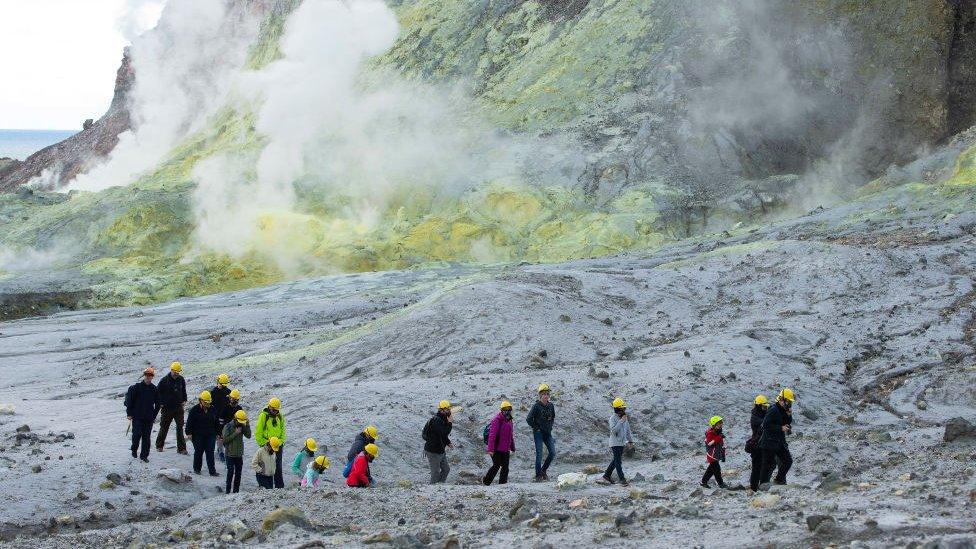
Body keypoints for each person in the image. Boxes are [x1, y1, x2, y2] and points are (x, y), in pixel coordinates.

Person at [758, 388, 795, 487]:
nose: (790, 404)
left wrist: (789, 416)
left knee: (788, 461)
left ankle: (778, 480)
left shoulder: (783, 410)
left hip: (779, 442)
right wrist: (780, 428)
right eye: (789, 401)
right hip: (769, 443)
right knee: (767, 466)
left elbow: (786, 422)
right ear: (782, 399)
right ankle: (763, 486)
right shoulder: (773, 409)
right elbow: (765, 425)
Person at [125, 367, 160, 462]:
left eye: (150, 375)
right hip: (137, 416)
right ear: (144, 375)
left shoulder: (154, 389)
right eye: (147, 375)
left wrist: (154, 415)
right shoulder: (136, 388)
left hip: (149, 418)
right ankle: (134, 449)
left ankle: (144, 456)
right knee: (136, 435)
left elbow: (158, 404)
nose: (149, 377)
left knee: (146, 438)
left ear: (152, 377)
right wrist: (129, 413)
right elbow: (129, 401)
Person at [600, 397, 634, 486]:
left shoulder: (624, 419)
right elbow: (613, 431)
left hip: (622, 443)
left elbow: (628, 431)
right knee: (618, 461)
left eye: (624, 408)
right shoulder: (613, 418)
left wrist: (630, 441)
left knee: (615, 460)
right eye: (623, 408)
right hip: (615, 443)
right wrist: (621, 421)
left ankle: (606, 476)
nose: (624, 410)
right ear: (618, 409)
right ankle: (622, 479)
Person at [155, 362, 187, 454]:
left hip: (178, 408)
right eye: (175, 371)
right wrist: (160, 403)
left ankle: (181, 449)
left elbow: (183, 391)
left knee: (180, 427)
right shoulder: (164, 380)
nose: (176, 373)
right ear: (171, 370)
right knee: (164, 427)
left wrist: (184, 399)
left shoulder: (181, 379)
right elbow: (157, 393)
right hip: (167, 409)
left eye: (178, 372)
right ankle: (159, 445)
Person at [185, 391, 220, 476]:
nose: (207, 404)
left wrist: (218, 433)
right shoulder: (194, 410)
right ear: (200, 400)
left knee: (210, 452)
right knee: (198, 451)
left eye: (209, 402)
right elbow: (189, 423)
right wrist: (189, 433)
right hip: (198, 435)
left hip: (210, 434)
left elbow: (217, 423)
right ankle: (197, 469)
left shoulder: (213, 409)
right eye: (205, 402)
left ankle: (212, 471)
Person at [526, 384, 556, 482]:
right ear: (540, 395)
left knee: (552, 453)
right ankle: (538, 475)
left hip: (547, 433)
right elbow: (529, 419)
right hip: (538, 433)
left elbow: (553, 417)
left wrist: (550, 426)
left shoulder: (551, 405)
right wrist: (536, 427)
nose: (546, 396)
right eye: (544, 394)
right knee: (539, 454)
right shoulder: (536, 406)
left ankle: (543, 470)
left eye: (547, 394)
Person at [255, 397, 286, 488]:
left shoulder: (280, 416)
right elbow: (258, 432)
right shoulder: (263, 416)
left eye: (277, 410)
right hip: (267, 446)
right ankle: (266, 486)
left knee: (278, 466)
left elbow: (283, 430)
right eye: (273, 410)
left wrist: (281, 442)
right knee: (267, 466)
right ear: (269, 407)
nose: (275, 412)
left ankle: (279, 486)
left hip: (278, 445)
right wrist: (264, 444)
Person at [483, 401, 516, 486]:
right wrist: (490, 449)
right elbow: (492, 436)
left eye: (509, 409)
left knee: (505, 468)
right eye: (505, 409)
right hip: (496, 448)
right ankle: (486, 482)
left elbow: (510, 435)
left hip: (506, 449)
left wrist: (512, 447)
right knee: (496, 465)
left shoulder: (510, 420)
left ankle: (502, 484)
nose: (507, 411)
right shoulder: (496, 420)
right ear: (501, 410)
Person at [422, 400, 453, 484]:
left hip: (440, 450)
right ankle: (433, 488)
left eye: (449, 409)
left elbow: (441, 435)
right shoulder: (436, 420)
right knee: (435, 473)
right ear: (441, 410)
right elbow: (443, 432)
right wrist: (450, 423)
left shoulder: (443, 419)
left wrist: (448, 442)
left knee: (446, 469)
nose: (449, 411)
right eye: (447, 409)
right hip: (433, 451)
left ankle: (439, 485)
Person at [222, 409, 251, 494]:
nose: (241, 423)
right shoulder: (227, 426)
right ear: (235, 419)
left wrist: (247, 424)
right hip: (229, 455)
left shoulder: (242, 425)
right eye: (240, 421)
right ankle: (227, 492)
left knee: (238, 474)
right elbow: (225, 440)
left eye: (242, 421)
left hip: (239, 455)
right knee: (230, 473)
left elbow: (248, 436)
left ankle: (236, 492)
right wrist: (235, 433)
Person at [747, 395, 770, 491]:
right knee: (756, 469)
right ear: (758, 406)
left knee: (766, 466)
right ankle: (753, 489)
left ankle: (761, 486)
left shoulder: (763, 414)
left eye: (766, 407)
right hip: (756, 446)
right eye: (764, 407)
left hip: (764, 445)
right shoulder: (755, 418)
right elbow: (766, 423)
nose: (765, 408)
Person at [701, 415, 727, 488]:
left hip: (715, 454)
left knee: (711, 470)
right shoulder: (710, 433)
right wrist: (719, 437)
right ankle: (721, 484)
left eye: (721, 422)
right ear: (714, 424)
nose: (721, 424)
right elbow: (709, 443)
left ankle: (703, 482)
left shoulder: (718, 431)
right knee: (717, 470)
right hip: (712, 455)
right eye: (719, 423)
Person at [210, 374, 231, 462]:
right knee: (219, 435)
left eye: (224, 385)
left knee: (226, 434)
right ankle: (220, 452)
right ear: (218, 382)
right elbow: (211, 405)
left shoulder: (228, 392)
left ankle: (224, 450)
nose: (223, 386)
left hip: (226, 417)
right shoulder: (213, 392)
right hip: (216, 417)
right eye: (222, 384)